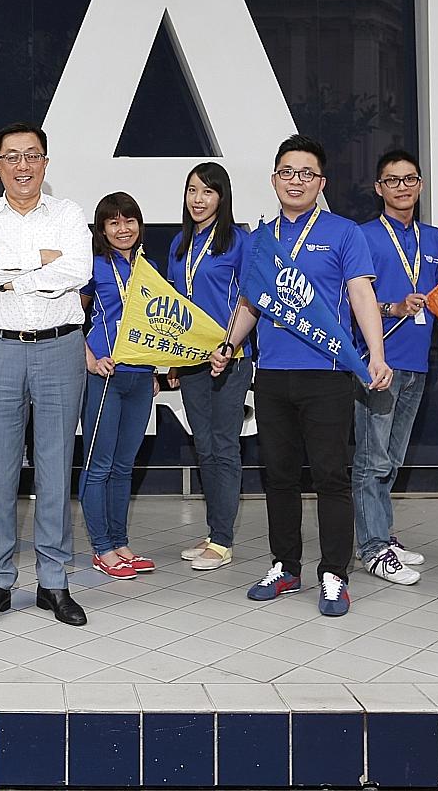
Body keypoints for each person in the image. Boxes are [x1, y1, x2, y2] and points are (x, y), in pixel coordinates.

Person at [214, 134, 392, 617]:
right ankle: (284, 566)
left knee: (332, 478)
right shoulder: (260, 239)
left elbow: (361, 297)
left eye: (306, 173)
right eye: (288, 172)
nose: (296, 181)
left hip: (328, 375)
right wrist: (229, 345)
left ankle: (334, 575)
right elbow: (251, 302)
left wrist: (375, 354)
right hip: (271, 376)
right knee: (279, 477)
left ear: (322, 182)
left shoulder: (343, 233)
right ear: (274, 179)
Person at [0, 122, 92, 628]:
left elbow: (77, 271)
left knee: (56, 470)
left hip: (60, 347)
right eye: (11, 157)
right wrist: (40, 265)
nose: (22, 165)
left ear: (45, 163)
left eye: (31, 156)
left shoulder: (69, 213)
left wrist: (9, 272)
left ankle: (54, 583)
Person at [353, 149, 438, 586]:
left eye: (409, 179)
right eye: (392, 181)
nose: (402, 187)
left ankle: (381, 536)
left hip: (418, 361)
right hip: (380, 363)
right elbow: (356, 301)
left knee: (391, 459)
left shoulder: (436, 240)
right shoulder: (363, 237)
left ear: (420, 185)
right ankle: (371, 547)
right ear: (378, 188)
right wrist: (393, 307)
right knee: (371, 459)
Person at [166, 162, 251, 572]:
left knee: (224, 447)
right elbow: (173, 307)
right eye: (192, 191)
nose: (198, 200)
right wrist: (173, 359)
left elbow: (248, 301)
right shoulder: (180, 245)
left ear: (222, 197)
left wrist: (228, 345)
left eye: (207, 192)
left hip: (229, 359)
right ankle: (215, 532)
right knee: (204, 447)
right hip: (192, 362)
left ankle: (223, 540)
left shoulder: (238, 241)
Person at [81, 192, 158, 580]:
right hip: (105, 376)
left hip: (141, 376)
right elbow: (69, 317)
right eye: (113, 222)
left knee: (124, 466)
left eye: (129, 221)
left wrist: (160, 368)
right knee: (100, 465)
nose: (123, 228)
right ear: (102, 228)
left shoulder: (149, 267)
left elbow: (160, 324)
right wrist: (90, 360)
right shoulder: (92, 266)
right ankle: (101, 548)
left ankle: (120, 541)